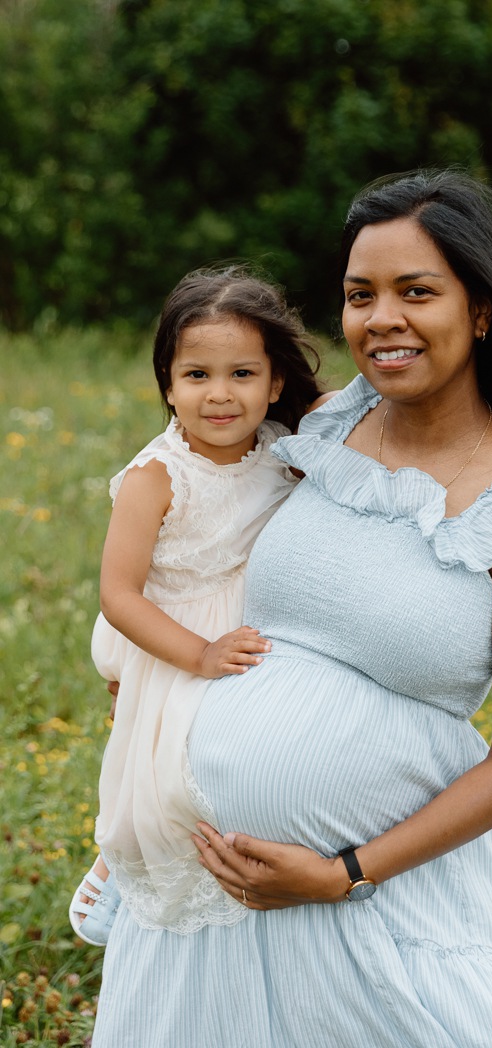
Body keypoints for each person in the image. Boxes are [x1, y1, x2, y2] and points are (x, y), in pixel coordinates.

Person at [92, 171, 492, 1047]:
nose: (382, 318)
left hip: (374, 905)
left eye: (417, 291)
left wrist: (343, 871)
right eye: (359, 294)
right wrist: (154, 674)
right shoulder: (326, 429)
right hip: (205, 892)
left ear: (480, 310)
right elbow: (196, 511)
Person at [69, 267, 321, 944]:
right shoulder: (156, 476)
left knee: (260, 766)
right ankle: (121, 870)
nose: (219, 395)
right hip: (175, 638)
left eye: (242, 374)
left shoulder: (281, 448)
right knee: (174, 782)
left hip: (254, 629)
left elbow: (354, 413)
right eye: (196, 375)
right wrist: (199, 654)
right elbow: (118, 594)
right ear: (169, 386)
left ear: (274, 383)